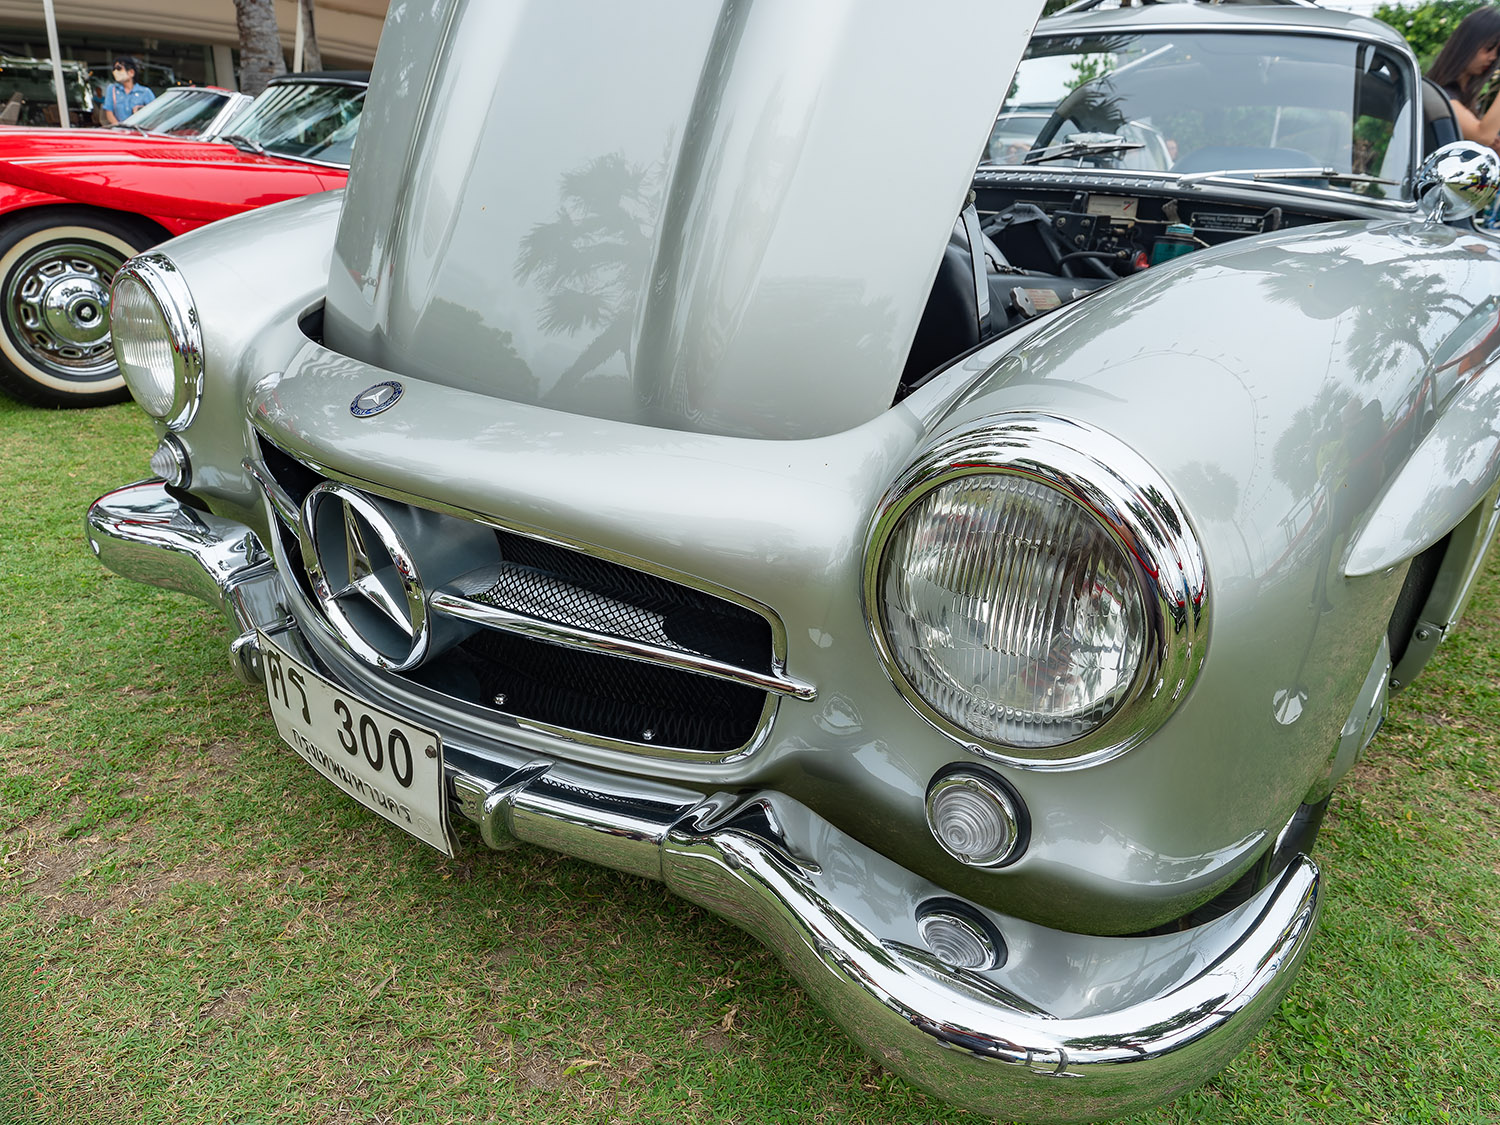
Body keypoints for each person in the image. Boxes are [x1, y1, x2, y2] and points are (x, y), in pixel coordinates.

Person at [1428, 7, 1500, 153]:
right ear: (1468, 43)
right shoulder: (1439, 96)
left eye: (1498, 52)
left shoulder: (1462, 98)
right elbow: (1483, 136)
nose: (1493, 57)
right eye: (1489, 48)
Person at [101, 56, 154, 125]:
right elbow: (109, 113)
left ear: (131, 72)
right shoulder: (112, 89)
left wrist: (141, 110)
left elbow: (154, 114)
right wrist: (120, 128)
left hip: (139, 129)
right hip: (118, 130)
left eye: (119, 68)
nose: (115, 72)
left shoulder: (145, 92)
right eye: (114, 69)